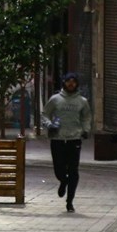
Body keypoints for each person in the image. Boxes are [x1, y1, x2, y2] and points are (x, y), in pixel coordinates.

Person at [42, 72, 91, 212]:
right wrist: (49, 124)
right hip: (57, 139)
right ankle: (63, 181)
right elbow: (45, 113)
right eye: (68, 81)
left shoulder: (82, 101)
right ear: (63, 83)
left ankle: (70, 202)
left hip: (74, 139)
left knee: (74, 171)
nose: (71, 84)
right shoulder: (55, 99)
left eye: (73, 82)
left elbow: (86, 117)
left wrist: (85, 130)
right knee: (59, 168)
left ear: (76, 84)